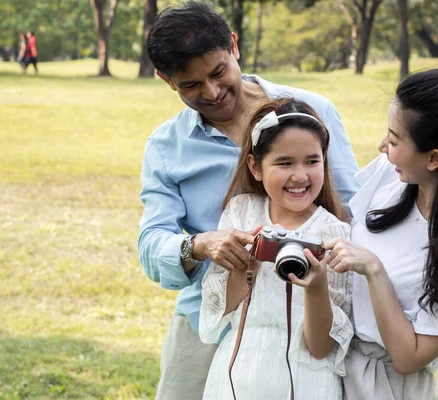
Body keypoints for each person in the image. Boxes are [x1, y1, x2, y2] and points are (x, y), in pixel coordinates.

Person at [139, 2, 359, 399]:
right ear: (165, 80)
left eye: (218, 71)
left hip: (308, 324)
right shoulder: (165, 148)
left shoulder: (314, 112)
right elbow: (152, 244)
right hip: (211, 319)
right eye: (190, 85)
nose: (211, 92)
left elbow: (353, 210)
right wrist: (199, 245)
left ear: (234, 46)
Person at [317, 69, 438, 399]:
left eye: (393, 140)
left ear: (434, 158)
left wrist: (374, 270)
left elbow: (409, 357)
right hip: (332, 367)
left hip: (386, 386)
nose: (381, 146)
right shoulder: (394, 176)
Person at [199, 98, 354, 399]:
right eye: (285, 163)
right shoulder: (241, 213)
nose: (300, 175)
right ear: (256, 167)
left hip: (307, 379)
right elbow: (224, 310)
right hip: (238, 373)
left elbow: (321, 348)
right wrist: (243, 264)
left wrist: (317, 286)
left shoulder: (335, 234)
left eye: (312, 161)